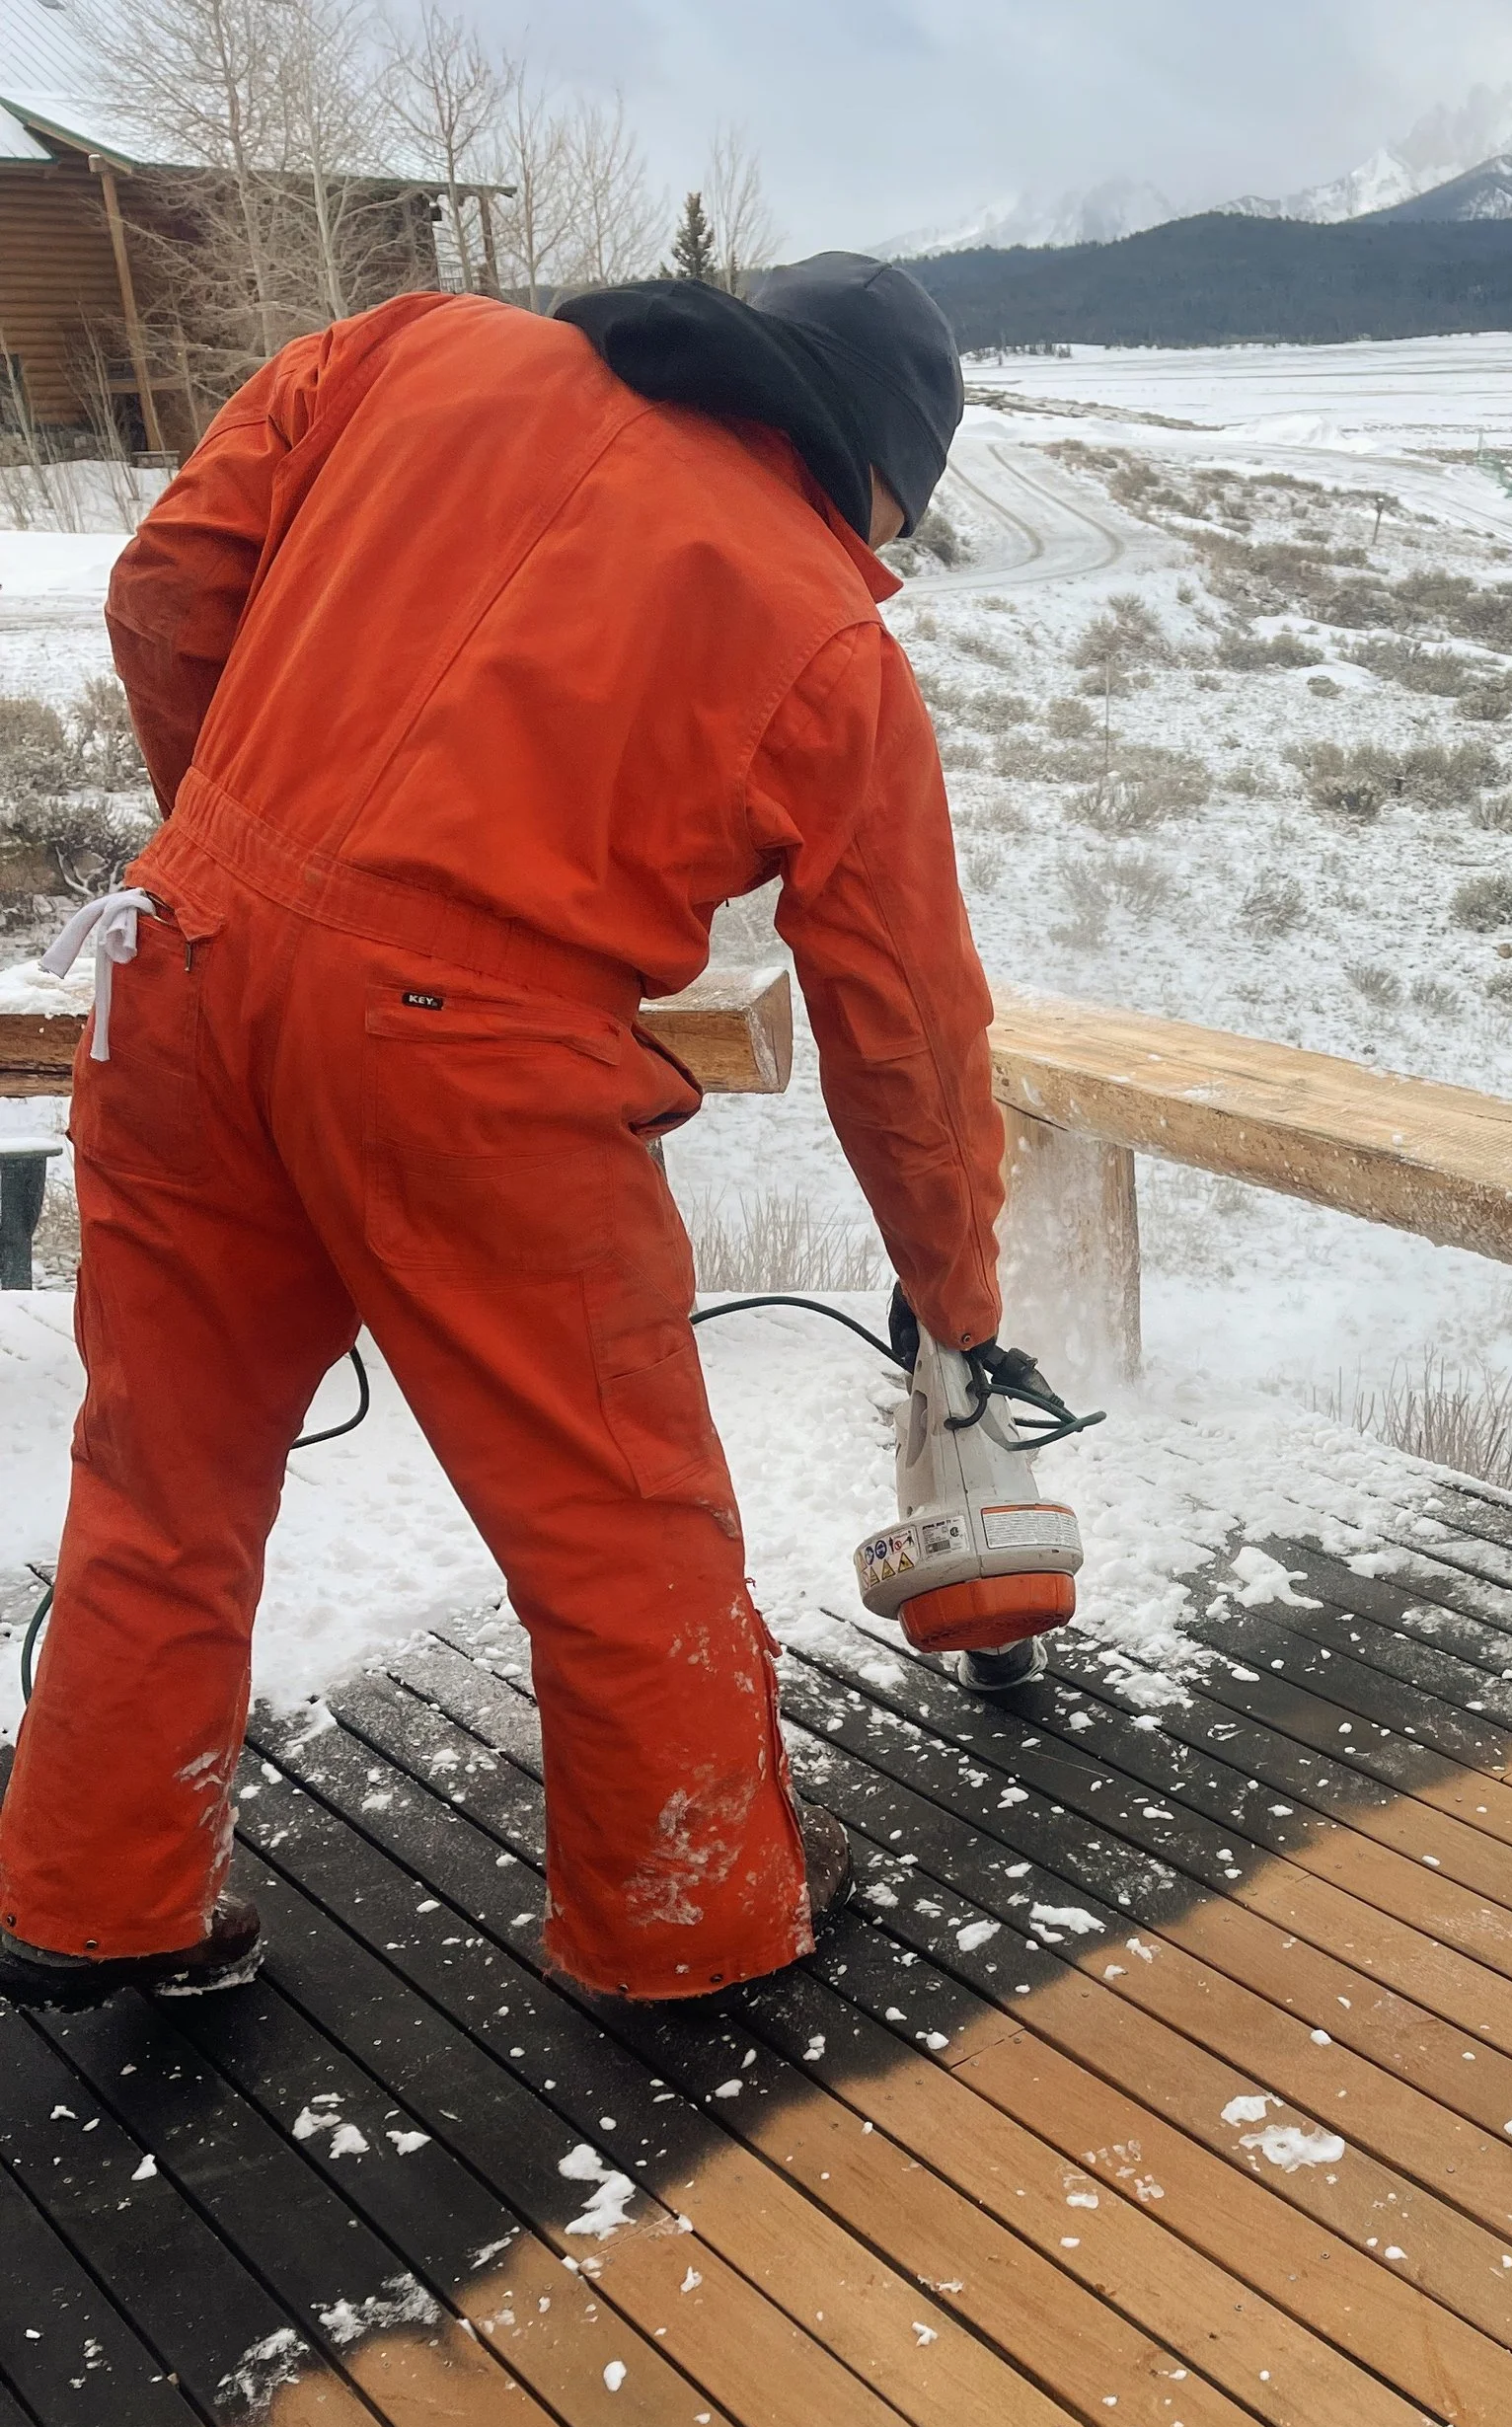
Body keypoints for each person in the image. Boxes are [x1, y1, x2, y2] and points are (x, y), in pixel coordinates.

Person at [0, 254, 1012, 2012]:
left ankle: (91, 1897)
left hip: (183, 969)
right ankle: (694, 1923)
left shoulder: (414, 347)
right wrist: (957, 1299)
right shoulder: (828, 644)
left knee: (161, 1479)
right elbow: (905, 1035)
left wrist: (250, 848)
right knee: (618, 1523)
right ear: (866, 470)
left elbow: (167, 584)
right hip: (465, 1073)